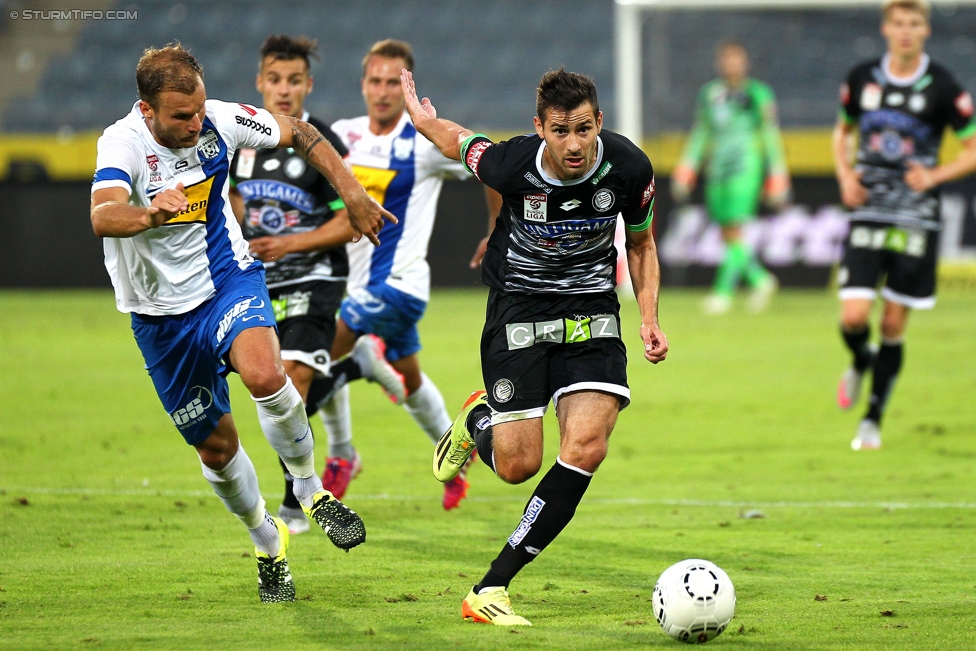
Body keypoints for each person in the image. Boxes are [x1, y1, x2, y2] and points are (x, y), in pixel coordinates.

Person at [90, 43, 396, 603]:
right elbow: (103, 214)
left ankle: (309, 489)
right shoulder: (122, 143)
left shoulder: (220, 121)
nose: (195, 123)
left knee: (264, 374)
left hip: (226, 281)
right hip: (159, 317)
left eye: (199, 109)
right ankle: (265, 537)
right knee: (216, 449)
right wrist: (149, 213)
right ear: (147, 109)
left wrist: (352, 195)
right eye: (181, 116)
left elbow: (302, 133)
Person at [402, 66, 669, 625]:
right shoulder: (511, 162)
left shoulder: (630, 168)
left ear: (600, 122)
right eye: (561, 130)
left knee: (587, 446)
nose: (574, 144)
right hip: (519, 311)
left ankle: (491, 587)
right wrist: (424, 120)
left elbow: (641, 244)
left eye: (584, 129)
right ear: (540, 129)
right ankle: (481, 422)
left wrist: (647, 317)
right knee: (519, 465)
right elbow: (458, 141)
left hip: (592, 311)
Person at [303, 39, 499, 510]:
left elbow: (491, 164)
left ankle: (343, 450)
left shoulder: (422, 141)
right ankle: (456, 454)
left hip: (398, 285)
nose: (383, 90)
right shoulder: (342, 134)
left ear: (407, 86)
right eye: (375, 80)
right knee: (408, 378)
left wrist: (495, 230)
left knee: (314, 357)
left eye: (395, 82)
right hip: (351, 283)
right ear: (363, 83)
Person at [228, 35, 405, 536]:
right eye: (275, 80)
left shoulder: (318, 142)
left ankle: (291, 505)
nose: (284, 90)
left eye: (294, 80)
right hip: (261, 282)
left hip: (316, 276)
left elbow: (351, 221)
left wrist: (289, 244)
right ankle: (353, 368)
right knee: (274, 389)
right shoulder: (241, 143)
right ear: (260, 83)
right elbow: (237, 201)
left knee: (293, 381)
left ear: (308, 84)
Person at [833, 0, 976, 450]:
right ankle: (861, 359)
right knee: (854, 317)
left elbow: (972, 150)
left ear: (926, 31)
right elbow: (843, 132)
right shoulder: (862, 77)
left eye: (915, 23)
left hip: (916, 218)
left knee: (893, 323)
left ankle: (872, 420)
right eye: (899, 23)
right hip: (868, 210)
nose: (906, 31)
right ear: (886, 28)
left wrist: (934, 175)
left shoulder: (945, 87)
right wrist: (845, 175)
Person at [672, 40, 790, 315]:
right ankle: (761, 279)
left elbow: (770, 135)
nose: (731, 65)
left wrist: (778, 174)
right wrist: (687, 167)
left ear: (745, 63)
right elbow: (701, 133)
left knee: (735, 228)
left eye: (736, 59)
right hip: (718, 170)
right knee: (727, 232)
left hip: (745, 167)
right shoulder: (710, 94)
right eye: (727, 60)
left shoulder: (759, 94)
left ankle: (722, 293)